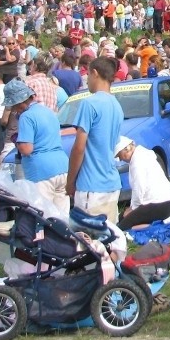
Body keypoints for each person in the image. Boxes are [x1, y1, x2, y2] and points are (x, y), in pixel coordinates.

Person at [67, 57, 124, 223]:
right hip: (111, 182)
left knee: (88, 241)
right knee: (108, 238)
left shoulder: (89, 103)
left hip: (91, 185)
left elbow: (79, 148)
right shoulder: (116, 105)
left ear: (95, 73)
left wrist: (70, 181)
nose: (87, 81)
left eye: (88, 77)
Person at [5, 79, 70, 216]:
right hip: (62, 167)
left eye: (13, 106)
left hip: (42, 172)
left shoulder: (26, 117)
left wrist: (18, 141)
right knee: (62, 217)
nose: (14, 110)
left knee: (42, 216)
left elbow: (27, 149)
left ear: (19, 102)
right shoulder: (48, 112)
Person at [114, 137, 170, 230]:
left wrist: (132, 208)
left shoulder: (137, 161)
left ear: (126, 150)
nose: (121, 159)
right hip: (165, 203)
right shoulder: (142, 154)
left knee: (122, 227)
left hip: (159, 204)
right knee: (121, 219)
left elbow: (139, 188)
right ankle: (151, 225)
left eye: (120, 156)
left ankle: (152, 227)